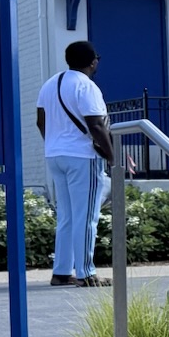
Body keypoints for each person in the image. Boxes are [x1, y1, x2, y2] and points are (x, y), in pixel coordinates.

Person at [34, 40, 127, 286]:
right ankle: (87, 273)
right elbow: (96, 125)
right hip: (82, 157)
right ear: (93, 62)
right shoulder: (87, 86)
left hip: (55, 155)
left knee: (66, 216)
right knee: (86, 217)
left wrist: (54, 143)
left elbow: (40, 121)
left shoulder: (50, 84)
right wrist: (113, 157)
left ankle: (62, 272)